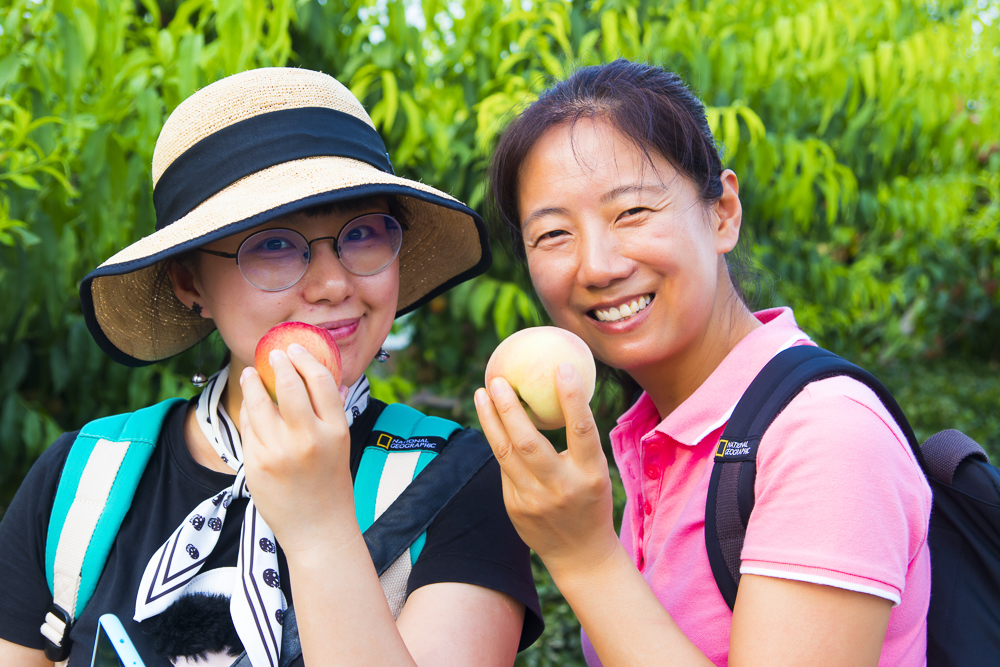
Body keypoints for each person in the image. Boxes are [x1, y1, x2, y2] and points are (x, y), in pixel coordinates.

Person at [0, 67, 542, 667]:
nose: (334, 283)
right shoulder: (83, 482)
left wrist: (319, 530)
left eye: (361, 233)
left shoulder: (454, 481)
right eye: (275, 245)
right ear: (189, 281)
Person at [475, 59, 931, 666]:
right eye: (554, 234)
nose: (598, 266)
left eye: (632, 212)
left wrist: (583, 556)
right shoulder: (655, 437)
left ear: (722, 213)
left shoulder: (825, 435)